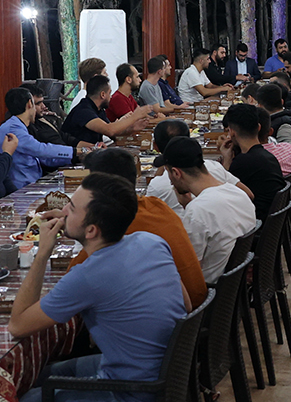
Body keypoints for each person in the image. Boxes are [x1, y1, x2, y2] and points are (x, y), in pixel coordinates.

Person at [6, 172, 187, 402]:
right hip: (167, 376)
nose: (63, 212)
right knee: (45, 374)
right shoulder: (150, 241)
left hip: (135, 394)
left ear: (91, 230)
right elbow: (184, 304)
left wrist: (42, 251)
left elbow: (18, 325)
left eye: (71, 208)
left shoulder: (87, 275)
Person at [75, 147, 206, 304]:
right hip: (196, 306)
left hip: (175, 313)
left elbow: (72, 279)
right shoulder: (156, 205)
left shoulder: (113, 224)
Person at [160, 136, 259, 283]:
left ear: (176, 173)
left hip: (211, 289)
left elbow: (189, 269)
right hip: (235, 284)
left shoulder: (198, 210)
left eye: (168, 173)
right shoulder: (239, 194)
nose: (170, 181)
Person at [145, 118, 248, 213]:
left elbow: (148, 216)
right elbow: (248, 194)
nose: (172, 183)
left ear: (155, 146)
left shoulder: (157, 185)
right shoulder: (214, 166)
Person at [0, 86, 75, 191]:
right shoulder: (13, 128)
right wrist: (75, 152)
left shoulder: (18, 125)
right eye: (37, 103)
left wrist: (74, 158)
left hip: (33, 185)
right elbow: (40, 149)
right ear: (30, 104)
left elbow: (41, 158)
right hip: (21, 189)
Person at [220, 103, 288, 220]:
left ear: (231, 132)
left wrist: (226, 160)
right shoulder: (267, 156)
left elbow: (223, 193)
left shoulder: (244, 162)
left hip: (254, 222)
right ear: (259, 127)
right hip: (271, 222)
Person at [62, 74, 153, 149]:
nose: (111, 97)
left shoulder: (99, 110)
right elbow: (110, 130)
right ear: (103, 94)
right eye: (109, 93)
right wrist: (135, 116)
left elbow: (114, 134)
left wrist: (132, 128)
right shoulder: (83, 111)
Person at [255, 82, 291, 148]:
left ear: (260, 106)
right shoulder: (289, 116)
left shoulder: (284, 125)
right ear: (282, 101)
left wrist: (275, 153)